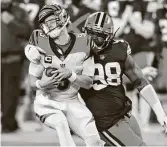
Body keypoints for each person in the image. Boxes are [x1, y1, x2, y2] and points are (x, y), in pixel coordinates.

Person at [79, 12, 167, 146]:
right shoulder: (76, 51)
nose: (93, 40)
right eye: (90, 34)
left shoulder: (118, 49)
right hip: (104, 119)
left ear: (108, 37)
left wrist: (161, 114)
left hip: (123, 112)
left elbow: (140, 82)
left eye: (98, 37)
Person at [24, 4, 104, 146]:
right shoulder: (40, 43)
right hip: (46, 102)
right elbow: (30, 81)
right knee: (61, 124)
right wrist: (42, 84)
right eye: (44, 24)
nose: (48, 27)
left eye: (51, 21)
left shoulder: (84, 42)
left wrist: (70, 74)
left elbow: (88, 83)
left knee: (95, 141)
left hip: (72, 100)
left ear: (62, 18)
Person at [1, 0, 33, 133]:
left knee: (10, 92)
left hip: (12, 58)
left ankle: (8, 123)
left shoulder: (20, 12)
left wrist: (11, 22)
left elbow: (29, 32)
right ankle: (11, 122)